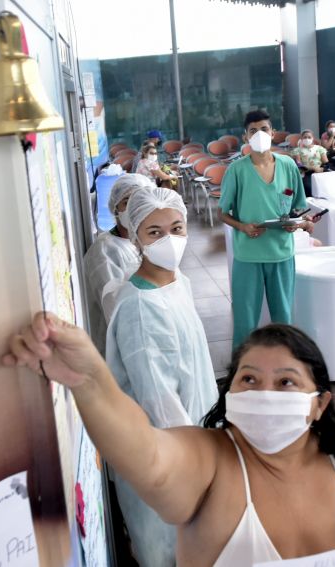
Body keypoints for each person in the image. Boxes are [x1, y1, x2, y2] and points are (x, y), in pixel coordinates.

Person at [3, 318, 335, 567]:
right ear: (230, 396)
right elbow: (148, 455)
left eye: (286, 382)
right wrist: (90, 381)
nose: (265, 393)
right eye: (249, 379)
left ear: (319, 404)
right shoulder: (211, 462)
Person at [104, 186, 218, 567]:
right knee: (167, 553)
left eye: (177, 228)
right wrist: (198, 468)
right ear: (135, 234)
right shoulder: (140, 306)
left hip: (196, 442)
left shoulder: (177, 282)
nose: (170, 240)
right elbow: (160, 404)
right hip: (165, 460)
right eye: (155, 232)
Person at [219, 109, 312, 350]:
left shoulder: (288, 166)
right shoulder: (237, 171)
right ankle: (240, 370)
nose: (259, 134)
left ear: (273, 133)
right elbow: (222, 212)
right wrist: (242, 226)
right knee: (245, 320)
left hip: (281, 253)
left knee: (283, 318)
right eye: (253, 131)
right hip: (248, 255)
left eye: (264, 129)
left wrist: (297, 223)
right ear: (245, 137)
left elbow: (298, 208)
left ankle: (285, 366)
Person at [82, 173, 153, 354]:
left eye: (141, 199)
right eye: (127, 200)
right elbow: (117, 314)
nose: (134, 206)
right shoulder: (105, 252)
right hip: (122, 351)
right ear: (115, 208)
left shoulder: (144, 242)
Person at [290, 129, 329, 197]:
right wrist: (313, 168)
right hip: (306, 173)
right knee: (309, 188)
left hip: (320, 172)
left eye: (309, 137)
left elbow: (326, 163)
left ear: (313, 138)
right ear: (301, 139)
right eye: (305, 137)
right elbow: (299, 165)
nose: (307, 139)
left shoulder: (320, 149)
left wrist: (322, 169)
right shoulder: (298, 150)